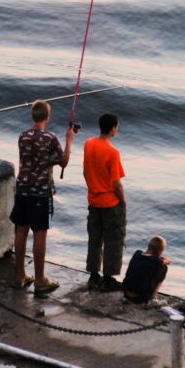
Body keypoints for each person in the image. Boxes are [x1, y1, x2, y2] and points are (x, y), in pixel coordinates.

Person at [10, 100, 75, 294]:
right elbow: (63, 161)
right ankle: (40, 279)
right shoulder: (50, 137)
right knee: (40, 233)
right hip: (40, 191)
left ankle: (21, 275)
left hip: (22, 188)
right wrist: (69, 140)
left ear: (33, 116)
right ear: (47, 117)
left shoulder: (23, 136)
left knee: (21, 230)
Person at [82, 112, 126, 292]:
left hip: (93, 200)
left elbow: (85, 171)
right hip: (110, 203)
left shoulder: (89, 144)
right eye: (117, 127)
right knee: (113, 239)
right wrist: (123, 201)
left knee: (94, 238)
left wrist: (93, 188)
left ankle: (93, 275)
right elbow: (117, 183)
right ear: (113, 128)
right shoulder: (113, 152)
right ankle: (108, 277)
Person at [122, 235, 171, 306]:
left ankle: (127, 298)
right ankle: (153, 298)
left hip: (126, 292)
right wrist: (161, 258)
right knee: (164, 267)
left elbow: (150, 259)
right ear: (160, 251)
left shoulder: (137, 253)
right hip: (140, 298)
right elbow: (168, 261)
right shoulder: (157, 261)